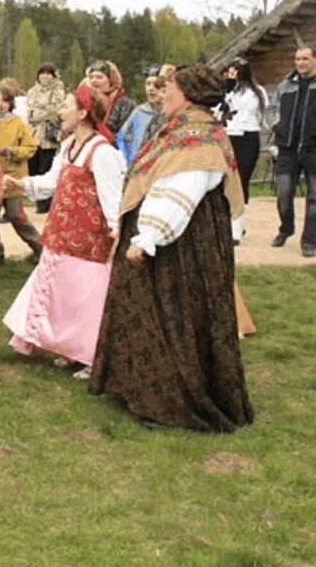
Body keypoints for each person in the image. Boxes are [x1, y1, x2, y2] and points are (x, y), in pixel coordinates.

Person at [89, 65, 253, 432]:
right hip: (179, 242)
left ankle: (171, 401)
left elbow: (180, 190)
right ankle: (142, 389)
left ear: (190, 94)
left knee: (173, 316)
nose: (163, 94)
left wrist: (148, 236)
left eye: (171, 88)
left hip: (179, 245)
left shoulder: (197, 136)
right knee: (160, 314)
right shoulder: (184, 128)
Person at [3, 84, 125, 380]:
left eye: (67, 105)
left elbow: (112, 200)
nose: (60, 111)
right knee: (64, 295)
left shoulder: (102, 152)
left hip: (89, 240)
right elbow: (50, 182)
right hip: (63, 234)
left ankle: (91, 356)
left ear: (83, 113)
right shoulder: (69, 147)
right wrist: (21, 184)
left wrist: (115, 236)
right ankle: (70, 350)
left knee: (87, 299)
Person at [266, 45, 316, 257]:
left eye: (305, 59)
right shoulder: (285, 86)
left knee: (314, 197)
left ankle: (309, 241)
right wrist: (276, 126)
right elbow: (271, 110)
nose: (300, 63)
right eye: (297, 59)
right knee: (283, 193)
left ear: (314, 60)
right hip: (287, 148)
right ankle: (286, 228)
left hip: (313, 149)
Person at [0, 80, 42, 262]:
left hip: (13, 178)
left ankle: (39, 247)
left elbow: (30, 147)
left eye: (3, 100)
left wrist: (10, 151)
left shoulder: (18, 123)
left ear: (10, 103)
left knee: (15, 215)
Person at [221, 57, 268, 244]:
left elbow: (264, 115)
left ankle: (237, 226)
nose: (233, 74)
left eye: (236, 70)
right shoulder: (226, 91)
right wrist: (227, 91)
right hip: (229, 136)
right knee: (227, 180)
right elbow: (218, 112)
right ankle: (231, 223)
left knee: (242, 180)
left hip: (249, 137)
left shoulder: (258, 92)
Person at [25, 64, 65, 214]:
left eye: (49, 73)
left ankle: (46, 203)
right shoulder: (32, 91)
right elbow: (30, 113)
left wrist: (41, 111)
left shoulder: (59, 91)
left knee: (45, 168)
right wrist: (45, 110)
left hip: (49, 138)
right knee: (33, 168)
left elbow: (57, 110)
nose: (45, 76)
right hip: (33, 136)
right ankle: (38, 201)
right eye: (42, 73)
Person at [117, 67, 166, 164]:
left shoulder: (169, 114)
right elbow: (122, 137)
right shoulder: (139, 111)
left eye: (156, 85)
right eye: (148, 84)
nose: (151, 88)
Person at [87, 60, 134, 135]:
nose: (94, 81)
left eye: (99, 77)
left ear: (110, 80)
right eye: (91, 77)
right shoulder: (87, 102)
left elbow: (126, 135)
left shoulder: (124, 103)